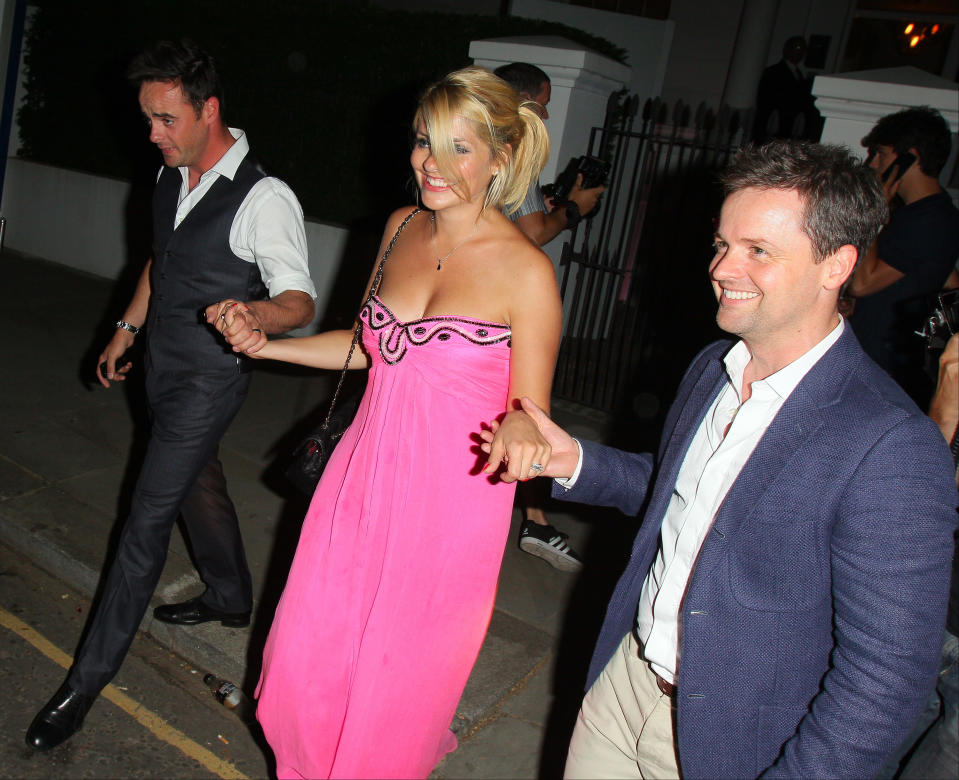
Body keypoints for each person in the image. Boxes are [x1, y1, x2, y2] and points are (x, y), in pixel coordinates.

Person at [482, 140, 958, 778]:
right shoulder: (713, 367)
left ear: (837, 265)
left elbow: (886, 679)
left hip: (733, 745)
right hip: (623, 688)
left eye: (758, 250)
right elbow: (686, 492)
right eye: (723, 244)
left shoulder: (890, 443)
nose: (723, 267)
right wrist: (574, 462)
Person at [219, 66, 560, 779]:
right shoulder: (400, 226)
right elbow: (365, 346)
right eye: (421, 143)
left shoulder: (525, 273)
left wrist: (525, 431)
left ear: (499, 158)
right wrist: (265, 343)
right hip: (361, 472)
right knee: (309, 652)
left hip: (450, 504)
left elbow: (532, 416)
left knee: (395, 682)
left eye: (456, 149)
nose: (428, 165)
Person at [24, 39, 316, 751]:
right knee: (195, 480)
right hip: (159, 367)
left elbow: (298, 299)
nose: (151, 134)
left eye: (164, 119)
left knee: (143, 522)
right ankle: (229, 594)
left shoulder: (264, 198)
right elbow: (163, 260)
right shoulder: (169, 175)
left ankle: (84, 683)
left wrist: (259, 317)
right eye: (147, 119)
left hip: (208, 382)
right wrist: (126, 327)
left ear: (207, 110)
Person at [494, 61, 605, 572]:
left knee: (520, 407)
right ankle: (534, 521)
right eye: (542, 106)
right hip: (499, 304)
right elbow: (532, 234)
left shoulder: (487, 146)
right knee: (527, 407)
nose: (544, 116)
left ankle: (536, 516)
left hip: (483, 297)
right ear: (523, 103)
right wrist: (575, 209)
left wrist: (559, 200)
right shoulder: (510, 152)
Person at [847, 106, 959, 407]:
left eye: (881, 153)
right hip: (886, 361)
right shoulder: (930, 215)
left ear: (910, 157)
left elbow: (863, 283)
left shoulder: (928, 220)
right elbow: (947, 281)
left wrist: (875, 214)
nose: (872, 163)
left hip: (880, 366)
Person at [754, 36, 823, 142]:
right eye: (797, 48)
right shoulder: (773, 71)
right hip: (776, 124)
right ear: (787, 49)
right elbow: (765, 101)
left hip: (791, 127)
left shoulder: (800, 74)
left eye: (803, 50)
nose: (800, 53)